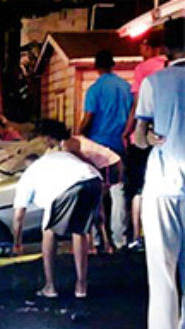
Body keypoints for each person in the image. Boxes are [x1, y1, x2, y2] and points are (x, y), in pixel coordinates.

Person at [126, 18, 185, 329]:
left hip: (164, 183)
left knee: (163, 271)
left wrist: (150, 139)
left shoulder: (154, 82)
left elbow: (139, 137)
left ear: (165, 50)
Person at [13, 142, 102, 298]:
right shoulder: (54, 158)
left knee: (48, 230)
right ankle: (81, 286)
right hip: (94, 180)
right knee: (79, 229)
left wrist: (17, 244)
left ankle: (50, 286)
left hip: (67, 188)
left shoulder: (28, 177)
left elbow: (19, 216)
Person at [38, 119, 120, 254]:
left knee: (94, 208)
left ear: (50, 136)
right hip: (102, 168)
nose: (44, 142)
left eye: (44, 138)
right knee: (95, 207)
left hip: (107, 167)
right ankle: (100, 244)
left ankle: (98, 245)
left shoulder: (69, 146)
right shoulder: (68, 142)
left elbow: (83, 165)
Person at [77, 50, 132, 250]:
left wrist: (79, 135)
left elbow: (89, 117)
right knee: (119, 191)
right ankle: (120, 238)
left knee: (96, 192)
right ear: (113, 64)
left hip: (98, 145)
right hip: (119, 143)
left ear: (96, 67)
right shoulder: (126, 87)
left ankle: (97, 239)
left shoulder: (95, 89)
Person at [122, 31, 166, 251]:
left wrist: (127, 131)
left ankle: (137, 235)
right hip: (167, 134)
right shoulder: (169, 67)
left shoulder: (144, 70)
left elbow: (138, 105)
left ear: (148, 46)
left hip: (144, 137)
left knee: (139, 189)